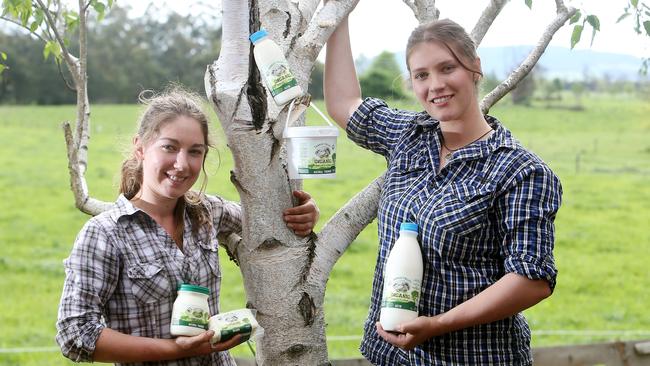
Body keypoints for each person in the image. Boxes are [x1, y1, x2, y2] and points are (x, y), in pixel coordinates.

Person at [324, 17, 562, 365]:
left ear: (474, 67)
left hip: (474, 357)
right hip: (391, 356)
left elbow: (532, 279)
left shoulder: (521, 171)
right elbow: (344, 102)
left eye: (447, 68)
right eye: (421, 75)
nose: (435, 85)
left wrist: (437, 325)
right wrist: (338, 15)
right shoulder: (409, 136)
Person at [55, 87, 320, 365]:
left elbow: (274, 222)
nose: (182, 164)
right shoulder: (105, 234)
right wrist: (179, 350)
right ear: (140, 148)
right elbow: (75, 335)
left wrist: (306, 211)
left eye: (195, 152)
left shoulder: (208, 212)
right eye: (169, 147)